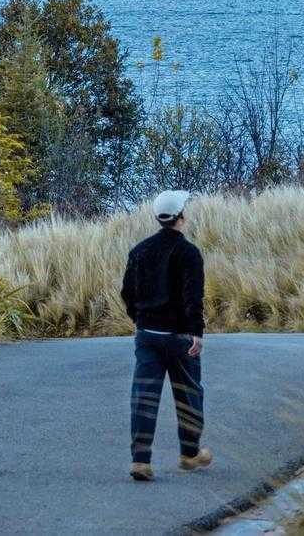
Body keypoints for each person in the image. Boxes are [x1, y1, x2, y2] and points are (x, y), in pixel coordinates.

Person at [121, 189, 211, 482]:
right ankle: (189, 453)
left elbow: (127, 294)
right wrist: (195, 332)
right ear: (181, 216)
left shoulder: (139, 251)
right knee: (188, 393)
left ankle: (140, 461)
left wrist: (141, 320)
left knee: (144, 396)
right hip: (180, 337)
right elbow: (192, 297)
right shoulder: (189, 253)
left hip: (147, 334)